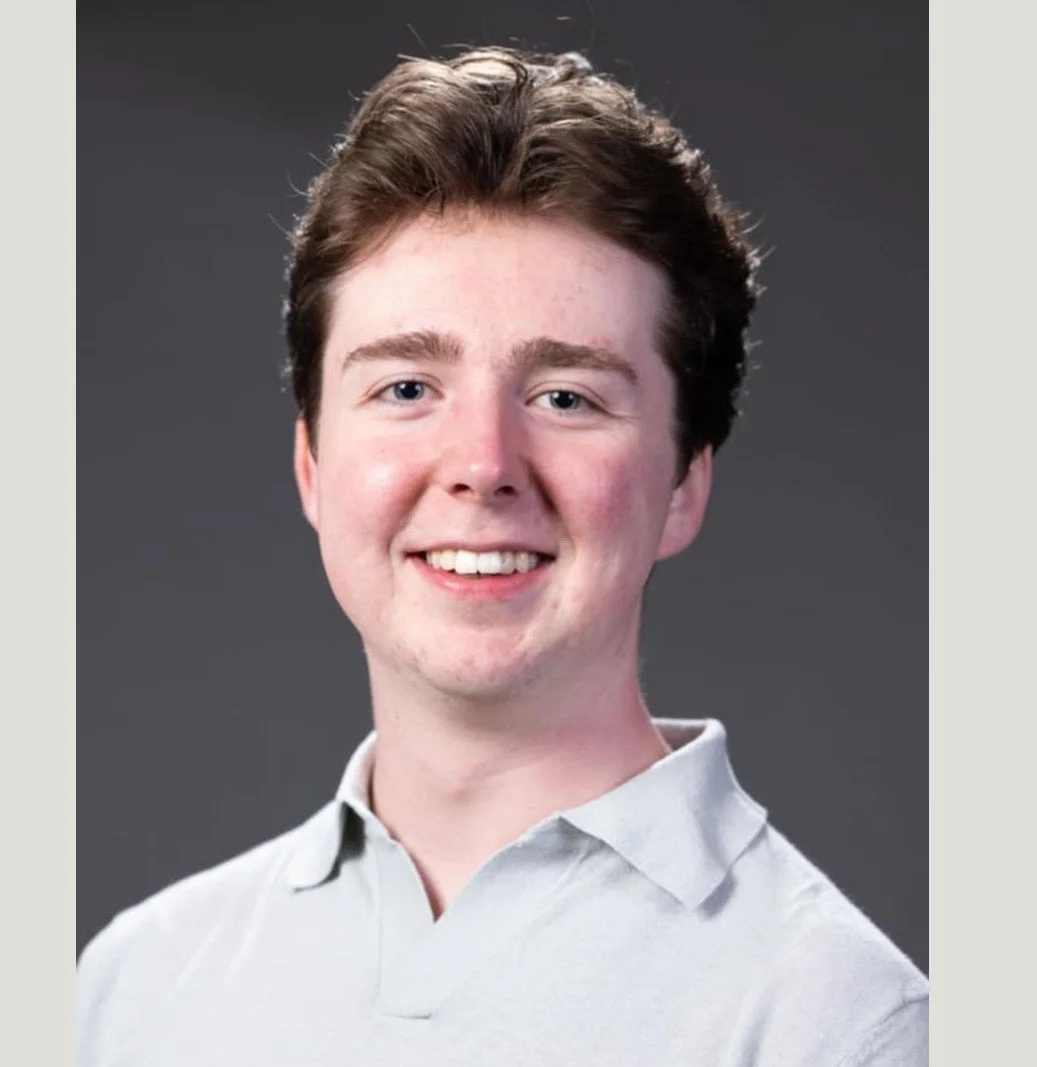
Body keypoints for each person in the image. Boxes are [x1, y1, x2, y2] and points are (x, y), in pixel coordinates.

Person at [77, 47, 928, 1065]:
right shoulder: (130, 989)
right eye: (405, 388)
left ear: (683, 484)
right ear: (312, 465)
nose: (482, 465)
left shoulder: (844, 1024)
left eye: (565, 396)